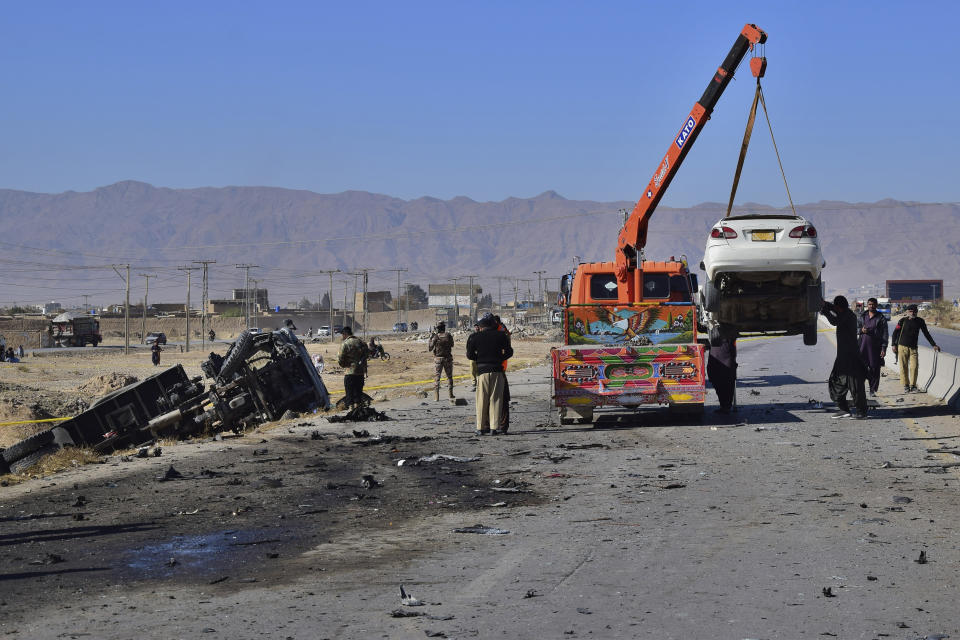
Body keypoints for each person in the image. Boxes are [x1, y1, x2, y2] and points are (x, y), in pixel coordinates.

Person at [466, 313, 513, 435]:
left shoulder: (474, 337)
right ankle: (494, 428)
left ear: (481, 326)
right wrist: (500, 358)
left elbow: (469, 355)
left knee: (481, 400)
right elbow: (509, 352)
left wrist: (480, 358)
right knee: (496, 399)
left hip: (482, 372)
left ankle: (480, 428)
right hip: (497, 370)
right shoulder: (501, 335)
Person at [822, 296, 868, 419]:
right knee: (835, 382)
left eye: (836, 307)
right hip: (842, 357)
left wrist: (825, 310)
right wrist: (825, 304)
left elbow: (834, 321)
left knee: (856, 386)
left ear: (839, 307)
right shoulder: (844, 312)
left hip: (852, 357)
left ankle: (861, 412)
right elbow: (836, 310)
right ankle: (844, 409)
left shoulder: (848, 315)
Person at [891, 304, 940, 393]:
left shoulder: (920, 321)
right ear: (907, 312)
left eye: (914, 311)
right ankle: (906, 385)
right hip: (902, 347)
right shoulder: (902, 321)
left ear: (917, 312)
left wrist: (934, 344)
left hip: (913, 348)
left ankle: (913, 385)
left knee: (914, 367)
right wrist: (893, 345)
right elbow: (895, 333)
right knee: (903, 367)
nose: (912, 313)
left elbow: (926, 334)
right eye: (910, 311)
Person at [857, 297, 889, 397]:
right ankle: (859, 390)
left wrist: (884, 348)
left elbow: (885, 334)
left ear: (876, 305)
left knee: (874, 369)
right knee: (860, 369)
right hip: (862, 347)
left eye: (874, 304)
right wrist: (861, 330)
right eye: (870, 304)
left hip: (875, 348)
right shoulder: (862, 316)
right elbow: (856, 328)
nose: (872, 306)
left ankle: (872, 390)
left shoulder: (881, 317)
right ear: (867, 305)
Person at [706, 327, 738, 414]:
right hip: (717, 346)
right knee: (715, 374)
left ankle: (726, 405)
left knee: (726, 377)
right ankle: (725, 405)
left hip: (724, 347)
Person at [337, 326, 368, 408]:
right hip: (360, 373)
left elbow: (340, 358)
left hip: (349, 373)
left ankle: (351, 410)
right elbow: (366, 356)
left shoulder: (345, 343)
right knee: (358, 393)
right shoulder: (361, 342)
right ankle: (358, 410)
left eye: (342, 335)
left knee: (349, 393)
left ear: (345, 334)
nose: (342, 337)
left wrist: (344, 365)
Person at [429, 322, 456, 403]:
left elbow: (430, 348)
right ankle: (450, 394)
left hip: (438, 359)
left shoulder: (436, 337)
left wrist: (430, 338)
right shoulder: (448, 335)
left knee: (437, 377)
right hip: (448, 359)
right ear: (444, 328)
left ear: (438, 328)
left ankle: (436, 397)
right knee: (449, 377)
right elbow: (452, 345)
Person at [469, 322, 481, 391]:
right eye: (475, 327)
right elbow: (468, 346)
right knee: (472, 369)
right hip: (473, 356)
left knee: (479, 370)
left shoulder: (483, 335)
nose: (476, 328)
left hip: (480, 356)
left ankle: (479, 384)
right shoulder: (472, 336)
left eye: (478, 326)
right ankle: (474, 383)